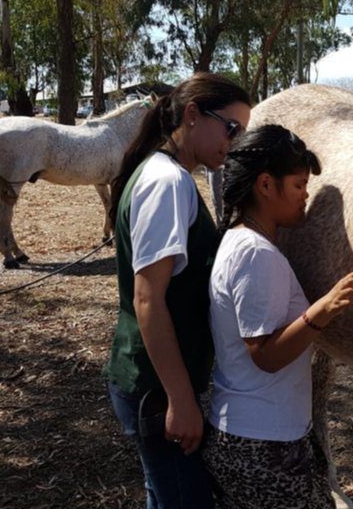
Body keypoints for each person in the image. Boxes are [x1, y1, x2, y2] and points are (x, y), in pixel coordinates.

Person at [103, 72, 251, 508]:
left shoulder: (169, 174)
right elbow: (148, 299)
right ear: (192, 115)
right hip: (156, 387)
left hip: (155, 381)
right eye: (231, 127)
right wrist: (181, 401)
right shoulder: (166, 183)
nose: (236, 140)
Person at [203, 125, 353, 509]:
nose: (305, 197)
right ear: (265, 185)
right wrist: (321, 311)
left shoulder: (239, 240)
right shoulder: (255, 255)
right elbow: (265, 355)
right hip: (260, 445)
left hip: (253, 435)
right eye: (297, 185)